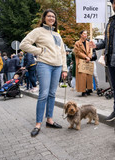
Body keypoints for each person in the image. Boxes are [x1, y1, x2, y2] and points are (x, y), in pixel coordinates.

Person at [20, 9, 67, 137]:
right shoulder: (38, 31)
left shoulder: (57, 34)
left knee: (52, 94)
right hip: (44, 65)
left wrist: (64, 69)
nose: (52, 18)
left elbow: (63, 53)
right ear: (44, 18)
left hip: (57, 66)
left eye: (53, 16)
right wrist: (39, 51)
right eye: (49, 16)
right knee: (43, 94)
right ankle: (38, 124)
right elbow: (23, 44)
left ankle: (49, 120)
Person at [74, 30, 93, 97]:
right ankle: (83, 91)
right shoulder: (77, 43)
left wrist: (89, 57)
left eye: (86, 34)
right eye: (84, 34)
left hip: (87, 61)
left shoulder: (88, 43)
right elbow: (77, 52)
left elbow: (91, 51)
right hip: (81, 61)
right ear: (81, 35)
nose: (85, 35)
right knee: (82, 77)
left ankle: (89, 89)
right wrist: (86, 57)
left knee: (88, 76)